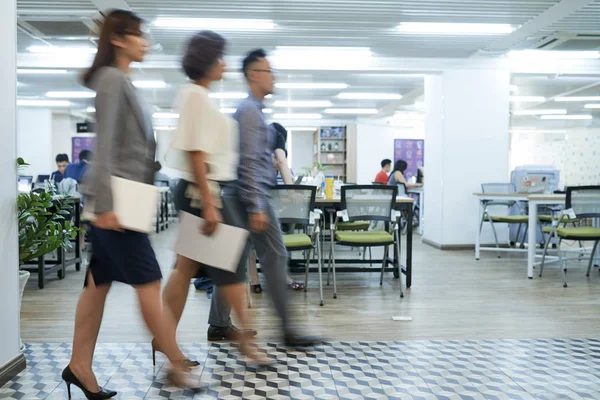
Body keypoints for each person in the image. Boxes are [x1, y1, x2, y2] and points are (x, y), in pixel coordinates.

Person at [62, 10, 197, 400]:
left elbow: (129, 147)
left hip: (126, 203)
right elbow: (103, 149)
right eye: (139, 35)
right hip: (115, 207)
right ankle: (176, 362)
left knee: (96, 287)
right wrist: (105, 205)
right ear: (119, 39)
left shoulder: (123, 81)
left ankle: (79, 366)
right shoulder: (111, 80)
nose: (146, 42)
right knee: (148, 284)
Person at [160, 30, 266, 364]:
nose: (224, 63)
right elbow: (195, 152)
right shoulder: (194, 95)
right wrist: (209, 204)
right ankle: (245, 343)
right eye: (219, 57)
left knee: (186, 270)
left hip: (208, 191)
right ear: (206, 61)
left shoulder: (202, 97)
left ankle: (162, 339)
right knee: (230, 268)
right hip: (201, 192)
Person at [209, 48, 321, 347]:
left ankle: (218, 324)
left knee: (232, 262)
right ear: (253, 75)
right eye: (268, 71)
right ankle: (288, 330)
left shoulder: (253, 110)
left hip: (242, 195)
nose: (274, 76)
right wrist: (257, 205)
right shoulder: (249, 112)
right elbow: (250, 163)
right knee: (276, 256)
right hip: (250, 197)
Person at [249, 122, 304, 293]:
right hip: (258, 196)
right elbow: (281, 160)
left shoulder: (254, 138)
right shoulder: (276, 136)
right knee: (276, 243)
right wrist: (291, 190)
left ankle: (254, 281)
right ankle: (282, 279)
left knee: (250, 241)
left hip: (243, 193)